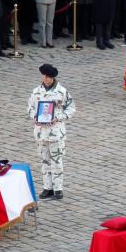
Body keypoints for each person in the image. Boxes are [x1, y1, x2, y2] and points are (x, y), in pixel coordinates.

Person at [26, 63, 76, 201]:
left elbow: (71, 108)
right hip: (41, 132)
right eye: (44, 76)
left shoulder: (61, 92)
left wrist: (59, 117)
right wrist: (34, 117)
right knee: (44, 160)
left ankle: (58, 188)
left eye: (49, 77)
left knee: (56, 160)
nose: (46, 79)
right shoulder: (36, 92)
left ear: (53, 78)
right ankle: (47, 187)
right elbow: (30, 107)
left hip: (56, 132)